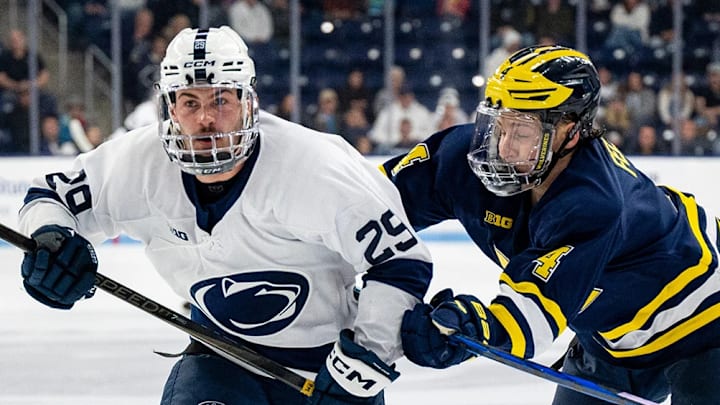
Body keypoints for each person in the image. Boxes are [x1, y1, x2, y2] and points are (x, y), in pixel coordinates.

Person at [18, 26, 433, 405]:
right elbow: (49, 195)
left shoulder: (314, 166)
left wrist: (363, 362)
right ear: (170, 109)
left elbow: (400, 262)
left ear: (247, 101)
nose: (206, 119)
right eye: (190, 102)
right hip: (219, 358)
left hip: (328, 367)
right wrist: (51, 238)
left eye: (221, 99)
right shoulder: (138, 162)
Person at [381, 45, 720, 404]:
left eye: (523, 132)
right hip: (609, 333)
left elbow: (532, 315)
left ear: (571, 133)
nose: (505, 147)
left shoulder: (592, 201)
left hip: (707, 317)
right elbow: (369, 199)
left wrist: (474, 325)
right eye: (499, 125)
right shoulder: (461, 157)